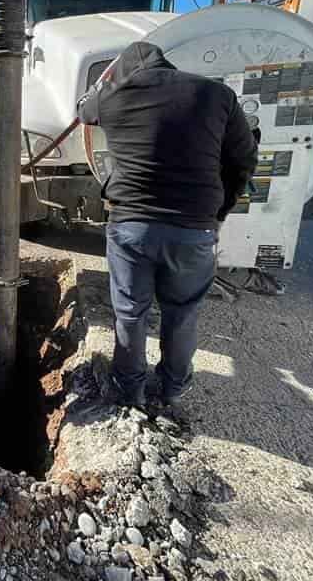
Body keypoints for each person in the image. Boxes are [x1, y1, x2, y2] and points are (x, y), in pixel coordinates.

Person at [78, 41, 257, 408]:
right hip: (194, 228)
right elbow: (243, 160)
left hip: (131, 225)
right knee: (182, 312)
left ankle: (130, 389)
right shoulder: (217, 94)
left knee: (130, 312)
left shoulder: (112, 97)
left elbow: (83, 110)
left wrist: (107, 81)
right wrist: (219, 210)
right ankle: (172, 388)